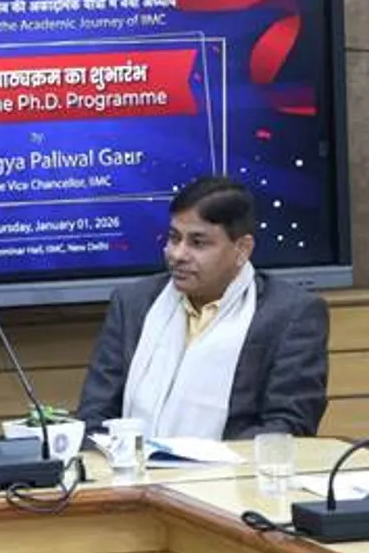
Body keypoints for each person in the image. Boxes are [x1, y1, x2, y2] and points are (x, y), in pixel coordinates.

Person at [77, 176, 329, 439]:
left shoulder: (291, 314)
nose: (177, 255)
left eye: (198, 243)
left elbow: (288, 427)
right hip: (131, 473)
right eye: (174, 238)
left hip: (233, 476)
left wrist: (199, 468)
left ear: (242, 249)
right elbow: (95, 415)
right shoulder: (133, 304)